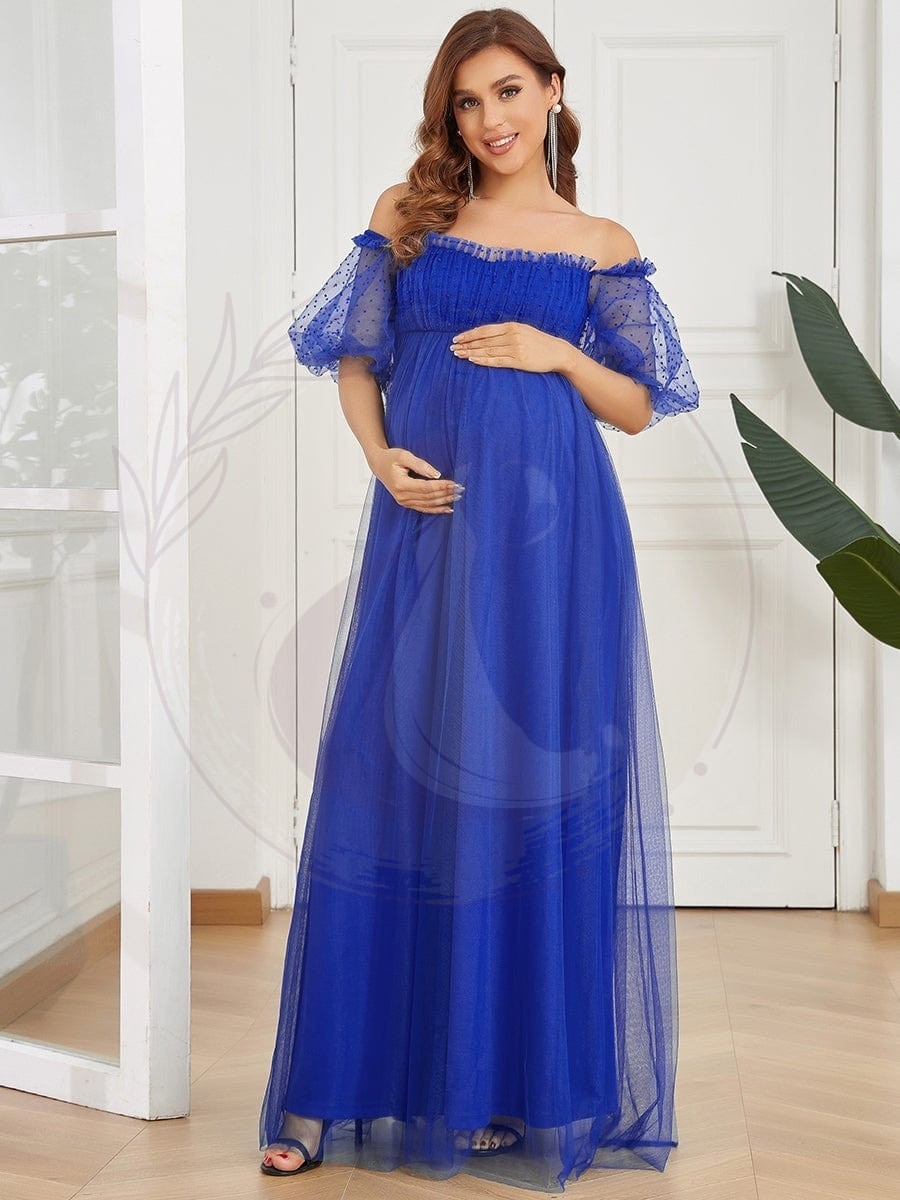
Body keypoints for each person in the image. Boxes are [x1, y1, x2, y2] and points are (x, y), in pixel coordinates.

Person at [259, 7, 699, 1193]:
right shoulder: (412, 218)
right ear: (447, 116)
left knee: (525, 796)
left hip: (556, 555)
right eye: (467, 101)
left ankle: (501, 1090)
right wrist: (377, 456)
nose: (490, 119)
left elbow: (639, 406)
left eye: (508, 91)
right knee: (384, 779)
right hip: (430, 528)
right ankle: (329, 1092)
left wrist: (560, 353)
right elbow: (355, 358)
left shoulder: (599, 242)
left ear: (553, 90)